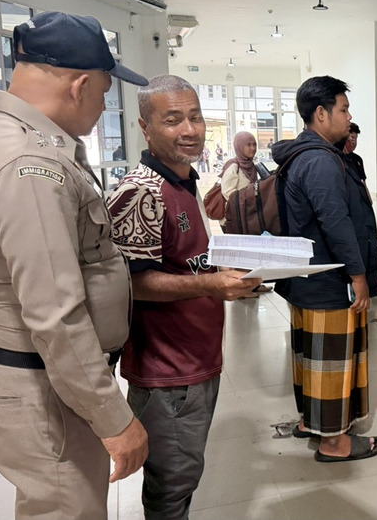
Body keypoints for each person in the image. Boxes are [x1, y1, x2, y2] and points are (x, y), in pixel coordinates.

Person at [0, 11, 149, 519]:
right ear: (79, 85)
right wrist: (114, 419)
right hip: (42, 388)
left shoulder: (15, 141)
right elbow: (55, 314)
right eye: (105, 92)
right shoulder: (29, 165)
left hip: (48, 380)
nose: (104, 105)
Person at [107, 75, 261, 518]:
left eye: (195, 117)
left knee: (183, 475)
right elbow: (132, 282)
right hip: (168, 372)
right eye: (173, 120)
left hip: (197, 358)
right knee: (171, 487)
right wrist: (211, 285)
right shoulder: (141, 191)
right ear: (145, 127)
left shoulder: (184, 181)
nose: (189, 129)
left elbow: (184, 258)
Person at [273, 75, 377, 462]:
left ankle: (311, 422)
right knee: (331, 360)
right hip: (327, 279)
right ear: (320, 114)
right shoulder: (320, 160)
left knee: (311, 358)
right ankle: (334, 442)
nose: (348, 116)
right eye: (343, 109)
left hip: (307, 277)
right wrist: (358, 277)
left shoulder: (304, 154)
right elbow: (337, 223)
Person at [341, 122, 377, 294]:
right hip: (349, 212)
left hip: (364, 210)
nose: (353, 141)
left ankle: (375, 283)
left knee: (371, 247)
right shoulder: (336, 160)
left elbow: (363, 183)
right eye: (350, 137)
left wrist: (370, 203)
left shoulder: (357, 160)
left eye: (355, 138)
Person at [219, 131, 273, 295]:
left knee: (252, 254)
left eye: (254, 144)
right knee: (239, 257)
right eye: (248, 145)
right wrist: (245, 200)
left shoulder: (252, 166)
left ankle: (253, 285)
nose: (252, 148)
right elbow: (227, 192)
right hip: (233, 219)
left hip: (247, 217)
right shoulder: (234, 166)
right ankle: (240, 288)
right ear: (239, 147)